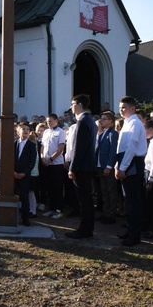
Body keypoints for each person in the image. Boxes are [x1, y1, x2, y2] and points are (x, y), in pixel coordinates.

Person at [115, 96, 148, 246]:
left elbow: (132, 147)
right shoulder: (127, 123)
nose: (121, 110)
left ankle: (135, 235)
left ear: (133, 108)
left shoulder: (135, 123)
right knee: (129, 199)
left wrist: (122, 167)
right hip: (125, 161)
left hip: (133, 162)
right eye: (120, 107)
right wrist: (118, 165)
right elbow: (121, 147)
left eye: (124, 108)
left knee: (134, 201)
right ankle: (130, 229)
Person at [66, 94, 97, 238]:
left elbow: (79, 148)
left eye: (73, 104)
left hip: (81, 166)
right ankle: (87, 228)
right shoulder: (89, 120)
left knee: (84, 200)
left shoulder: (82, 121)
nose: (71, 107)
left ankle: (85, 229)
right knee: (86, 199)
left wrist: (72, 168)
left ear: (79, 105)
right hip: (87, 165)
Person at [41, 114, 66, 219]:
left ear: (56, 121)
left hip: (57, 164)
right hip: (47, 164)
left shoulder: (60, 132)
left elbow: (61, 147)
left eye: (50, 121)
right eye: (47, 122)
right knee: (49, 187)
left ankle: (59, 210)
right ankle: (52, 209)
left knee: (57, 188)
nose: (48, 123)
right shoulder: (46, 132)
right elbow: (42, 146)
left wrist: (51, 159)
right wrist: (42, 157)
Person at [96, 110, 119, 224]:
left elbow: (112, 151)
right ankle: (105, 212)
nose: (101, 121)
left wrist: (109, 166)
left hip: (107, 166)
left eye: (104, 119)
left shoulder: (112, 134)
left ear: (111, 121)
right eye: (101, 119)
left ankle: (111, 214)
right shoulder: (103, 133)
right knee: (104, 190)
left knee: (110, 190)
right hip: (100, 165)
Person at [13, 122, 36, 226]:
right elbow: (10, 159)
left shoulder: (32, 146)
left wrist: (24, 173)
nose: (26, 130)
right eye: (23, 129)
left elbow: (32, 162)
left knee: (24, 197)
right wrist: (13, 172)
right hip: (13, 175)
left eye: (27, 129)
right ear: (18, 131)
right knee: (13, 196)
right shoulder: (13, 144)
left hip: (24, 176)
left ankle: (25, 219)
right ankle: (12, 218)